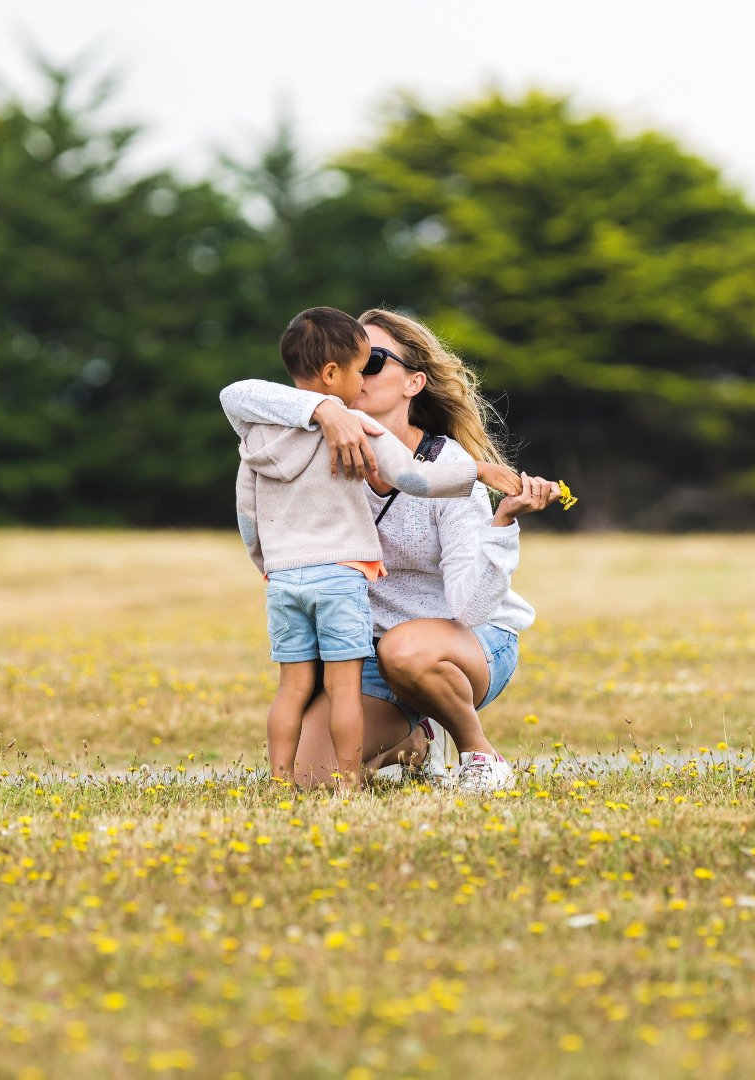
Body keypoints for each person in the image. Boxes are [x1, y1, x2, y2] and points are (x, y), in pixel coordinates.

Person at [221, 306, 561, 794]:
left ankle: (477, 753)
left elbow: (470, 607)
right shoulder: (315, 443)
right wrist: (323, 410)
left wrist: (501, 522)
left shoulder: (448, 469)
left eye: (373, 360)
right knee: (311, 778)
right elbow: (236, 396)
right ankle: (416, 743)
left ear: (414, 383)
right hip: (369, 650)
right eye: (349, 358)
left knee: (408, 649)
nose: (358, 372)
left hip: (463, 644)